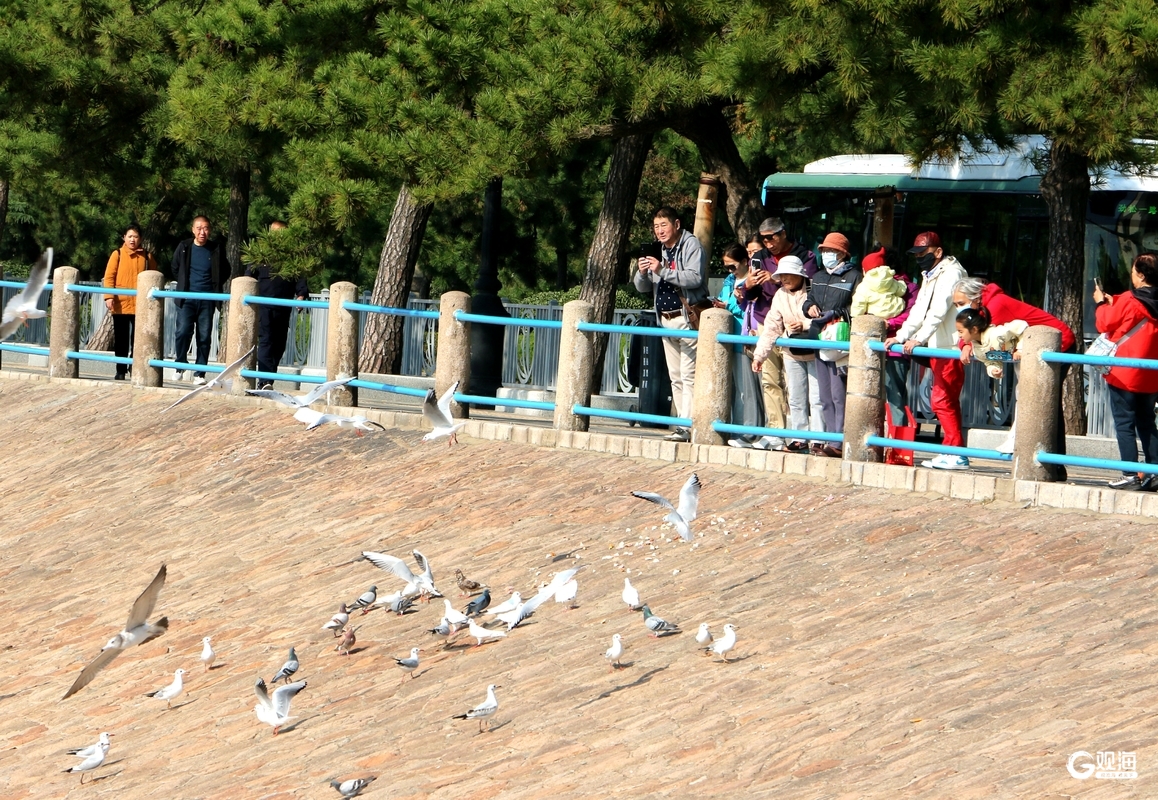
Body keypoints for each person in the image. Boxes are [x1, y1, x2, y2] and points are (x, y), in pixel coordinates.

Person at [953, 276, 1076, 462]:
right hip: (1031, 348)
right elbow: (974, 334)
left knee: (1046, 401)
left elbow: (984, 338)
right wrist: (966, 346)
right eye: (955, 305)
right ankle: (1046, 457)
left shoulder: (996, 306)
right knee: (1035, 398)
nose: (959, 308)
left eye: (961, 303)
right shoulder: (984, 308)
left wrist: (969, 346)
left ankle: (1052, 459)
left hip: (1057, 344)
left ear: (976, 297)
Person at [885, 232, 968, 470]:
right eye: (917, 254)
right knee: (945, 400)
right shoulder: (931, 274)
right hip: (938, 346)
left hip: (949, 346)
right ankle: (953, 451)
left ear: (938, 252)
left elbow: (938, 310)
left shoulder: (951, 273)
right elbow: (919, 310)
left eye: (923, 253)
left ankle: (955, 453)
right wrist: (901, 336)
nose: (919, 258)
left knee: (942, 400)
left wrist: (917, 338)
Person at [633, 206, 708, 442]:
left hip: (686, 319)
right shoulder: (658, 250)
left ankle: (688, 425)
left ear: (676, 224)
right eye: (656, 227)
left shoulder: (691, 245)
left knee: (688, 375)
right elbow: (642, 287)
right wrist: (642, 273)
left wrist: (662, 270)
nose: (660, 231)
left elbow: (695, 278)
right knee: (675, 376)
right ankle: (681, 424)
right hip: (664, 320)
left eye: (663, 225)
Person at [1093, 252, 1158, 490]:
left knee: (1124, 424)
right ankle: (1155, 472)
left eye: (1133, 271)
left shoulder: (1130, 299)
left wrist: (1101, 303)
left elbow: (1104, 323)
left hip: (1125, 372)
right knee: (1147, 423)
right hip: (1151, 375)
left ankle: (1130, 474)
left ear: (1140, 275)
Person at [753, 255, 824, 453]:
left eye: (788, 274)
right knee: (795, 397)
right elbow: (771, 327)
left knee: (817, 397)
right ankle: (800, 438)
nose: (784, 279)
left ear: (800, 275)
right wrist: (759, 356)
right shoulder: (780, 295)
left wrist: (805, 324)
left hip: (815, 351)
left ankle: (819, 439)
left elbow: (824, 317)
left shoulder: (815, 289)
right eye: (781, 275)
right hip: (791, 352)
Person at [802, 232, 862, 457]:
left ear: (842, 254)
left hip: (840, 340)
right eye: (824, 250)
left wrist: (836, 312)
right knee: (824, 395)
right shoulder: (817, 276)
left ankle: (839, 440)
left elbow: (856, 308)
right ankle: (830, 437)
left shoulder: (854, 276)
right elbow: (809, 299)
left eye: (831, 251)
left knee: (839, 393)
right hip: (820, 338)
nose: (826, 254)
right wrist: (808, 308)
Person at [170, 216, 231, 384]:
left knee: (204, 337)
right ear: (193, 230)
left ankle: (200, 373)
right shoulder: (184, 246)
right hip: (187, 298)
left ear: (209, 230)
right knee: (182, 332)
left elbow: (226, 270)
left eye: (205, 228)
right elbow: (175, 267)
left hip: (207, 299)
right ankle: (180, 365)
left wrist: (214, 285)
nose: (202, 232)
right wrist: (183, 282)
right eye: (198, 228)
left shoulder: (216, 248)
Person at [714, 244, 764, 446]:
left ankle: (750, 432)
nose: (730, 271)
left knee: (750, 389)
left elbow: (748, 307)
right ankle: (737, 429)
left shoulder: (754, 279)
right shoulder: (729, 280)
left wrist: (730, 304)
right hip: (730, 338)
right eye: (726, 267)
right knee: (737, 389)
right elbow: (724, 298)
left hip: (746, 337)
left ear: (745, 261)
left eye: (732, 266)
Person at [249, 221, 309, 387]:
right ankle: (264, 381)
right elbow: (249, 277)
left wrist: (301, 295)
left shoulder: (293, 255)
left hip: (283, 306)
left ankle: (268, 379)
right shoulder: (260, 254)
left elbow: (300, 278)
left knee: (279, 345)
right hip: (264, 306)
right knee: (266, 341)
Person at [862, 246, 918, 423]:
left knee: (895, 398)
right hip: (870, 348)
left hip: (895, 350)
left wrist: (889, 323)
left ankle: (897, 438)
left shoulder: (908, 288)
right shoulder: (868, 285)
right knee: (868, 399)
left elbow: (912, 315)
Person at [102, 224, 157, 380]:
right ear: (124, 238)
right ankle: (120, 370)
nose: (132, 240)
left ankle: (135, 368)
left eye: (136, 237)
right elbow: (109, 277)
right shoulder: (117, 254)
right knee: (121, 340)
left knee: (138, 340)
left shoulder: (147, 256)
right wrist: (109, 297)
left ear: (141, 239)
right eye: (130, 236)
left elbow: (153, 276)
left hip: (140, 305)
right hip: (121, 304)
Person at [955, 308, 1027, 378]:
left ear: (974, 329)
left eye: (961, 331)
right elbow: (991, 362)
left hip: (1029, 353)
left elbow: (1022, 326)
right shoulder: (977, 351)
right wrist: (993, 371)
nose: (959, 335)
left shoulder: (996, 334)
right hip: (1021, 362)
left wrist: (1020, 350)